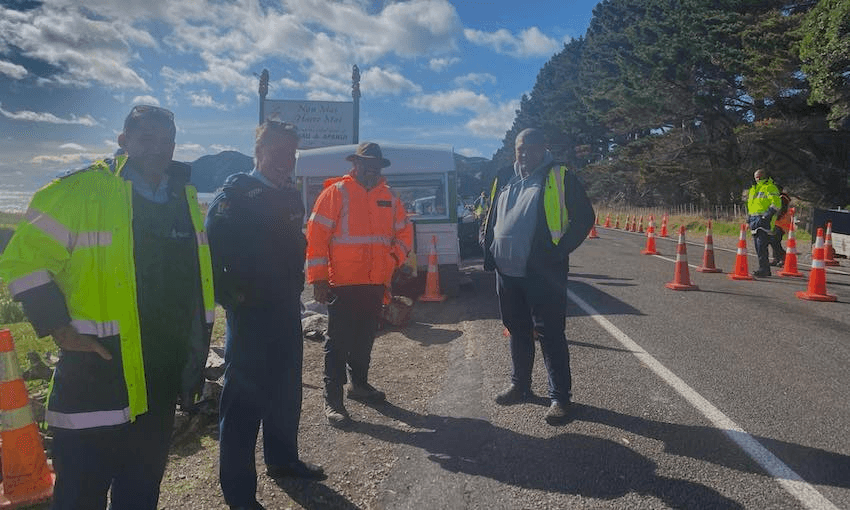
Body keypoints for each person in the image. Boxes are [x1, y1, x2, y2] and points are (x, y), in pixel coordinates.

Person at [0, 105, 216, 509]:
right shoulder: (81, 191)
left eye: (166, 141)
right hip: (96, 371)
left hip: (158, 373)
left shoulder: (182, 199)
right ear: (123, 141)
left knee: (141, 487)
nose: (157, 149)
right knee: (81, 491)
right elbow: (22, 260)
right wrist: (59, 326)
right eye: (145, 139)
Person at [206, 120, 325, 510]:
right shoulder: (235, 196)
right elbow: (212, 256)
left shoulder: (291, 197)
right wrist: (233, 299)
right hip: (250, 316)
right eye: (277, 152)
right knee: (242, 406)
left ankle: (283, 460)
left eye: (290, 154)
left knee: (285, 392)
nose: (284, 161)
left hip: (285, 309)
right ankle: (240, 496)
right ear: (258, 151)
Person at [480, 128, 594, 425]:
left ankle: (560, 398)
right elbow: (491, 214)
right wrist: (487, 244)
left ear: (544, 147)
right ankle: (520, 385)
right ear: (514, 150)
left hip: (543, 273)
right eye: (521, 148)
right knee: (516, 329)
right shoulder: (504, 176)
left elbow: (585, 218)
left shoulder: (559, 175)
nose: (525, 153)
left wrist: (557, 253)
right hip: (507, 272)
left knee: (550, 333)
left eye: (532, 148)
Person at [306, 142, 414, 428]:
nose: (371, 169)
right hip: (340, 284)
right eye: (366, 164)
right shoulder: (336, 193)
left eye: (375, 165)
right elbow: (316, 237)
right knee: (338, 343)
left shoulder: (389, 197)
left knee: (366, 338)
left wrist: (392, 259)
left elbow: (405, 232)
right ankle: (334, 400)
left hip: (374, 282)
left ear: (380, 167)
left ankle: (360, 386)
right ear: (355, 164)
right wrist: (317, 279)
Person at [747, 169, 782, 277]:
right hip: (754, 219)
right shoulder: (754, 189)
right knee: (758, 247)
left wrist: (766, 216)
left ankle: (764, 269)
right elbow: (751, 205)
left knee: (761, 246)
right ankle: (764, 268)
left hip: (763, 220)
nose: (756, 178)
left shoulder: (770, 187)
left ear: (762, 176)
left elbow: (776, 203)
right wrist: (748, 218)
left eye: (757, 176)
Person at [769, 187, 792, 266]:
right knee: (774, 240)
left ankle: (782, 257)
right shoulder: (779, 198)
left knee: (774, 240)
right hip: (777, 222)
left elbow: (781, 210)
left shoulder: (783, 198)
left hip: (781, 223)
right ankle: (776, 258)